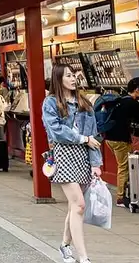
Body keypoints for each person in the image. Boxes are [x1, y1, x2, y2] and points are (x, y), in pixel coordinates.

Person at [42, 64, 102, 263]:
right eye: (68, 76)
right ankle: (83, 257)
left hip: (84, 155)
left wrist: (96, 163)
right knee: (79, 205)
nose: (73, 79)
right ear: (58, 79)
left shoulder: (83, 102)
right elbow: (57, 131)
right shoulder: (50, 103)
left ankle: (65, 246)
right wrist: (83, 139)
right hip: (64, 155)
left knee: (73, 206)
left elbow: (94, 134)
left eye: (74, 75)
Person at [103, 77, 139, 207]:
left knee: (123, 165)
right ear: (137, 90)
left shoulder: (121, 100)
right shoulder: (133, 104)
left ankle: (126, 193)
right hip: (120, 139)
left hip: (109, 138)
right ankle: (121, 197)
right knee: (124, 167)